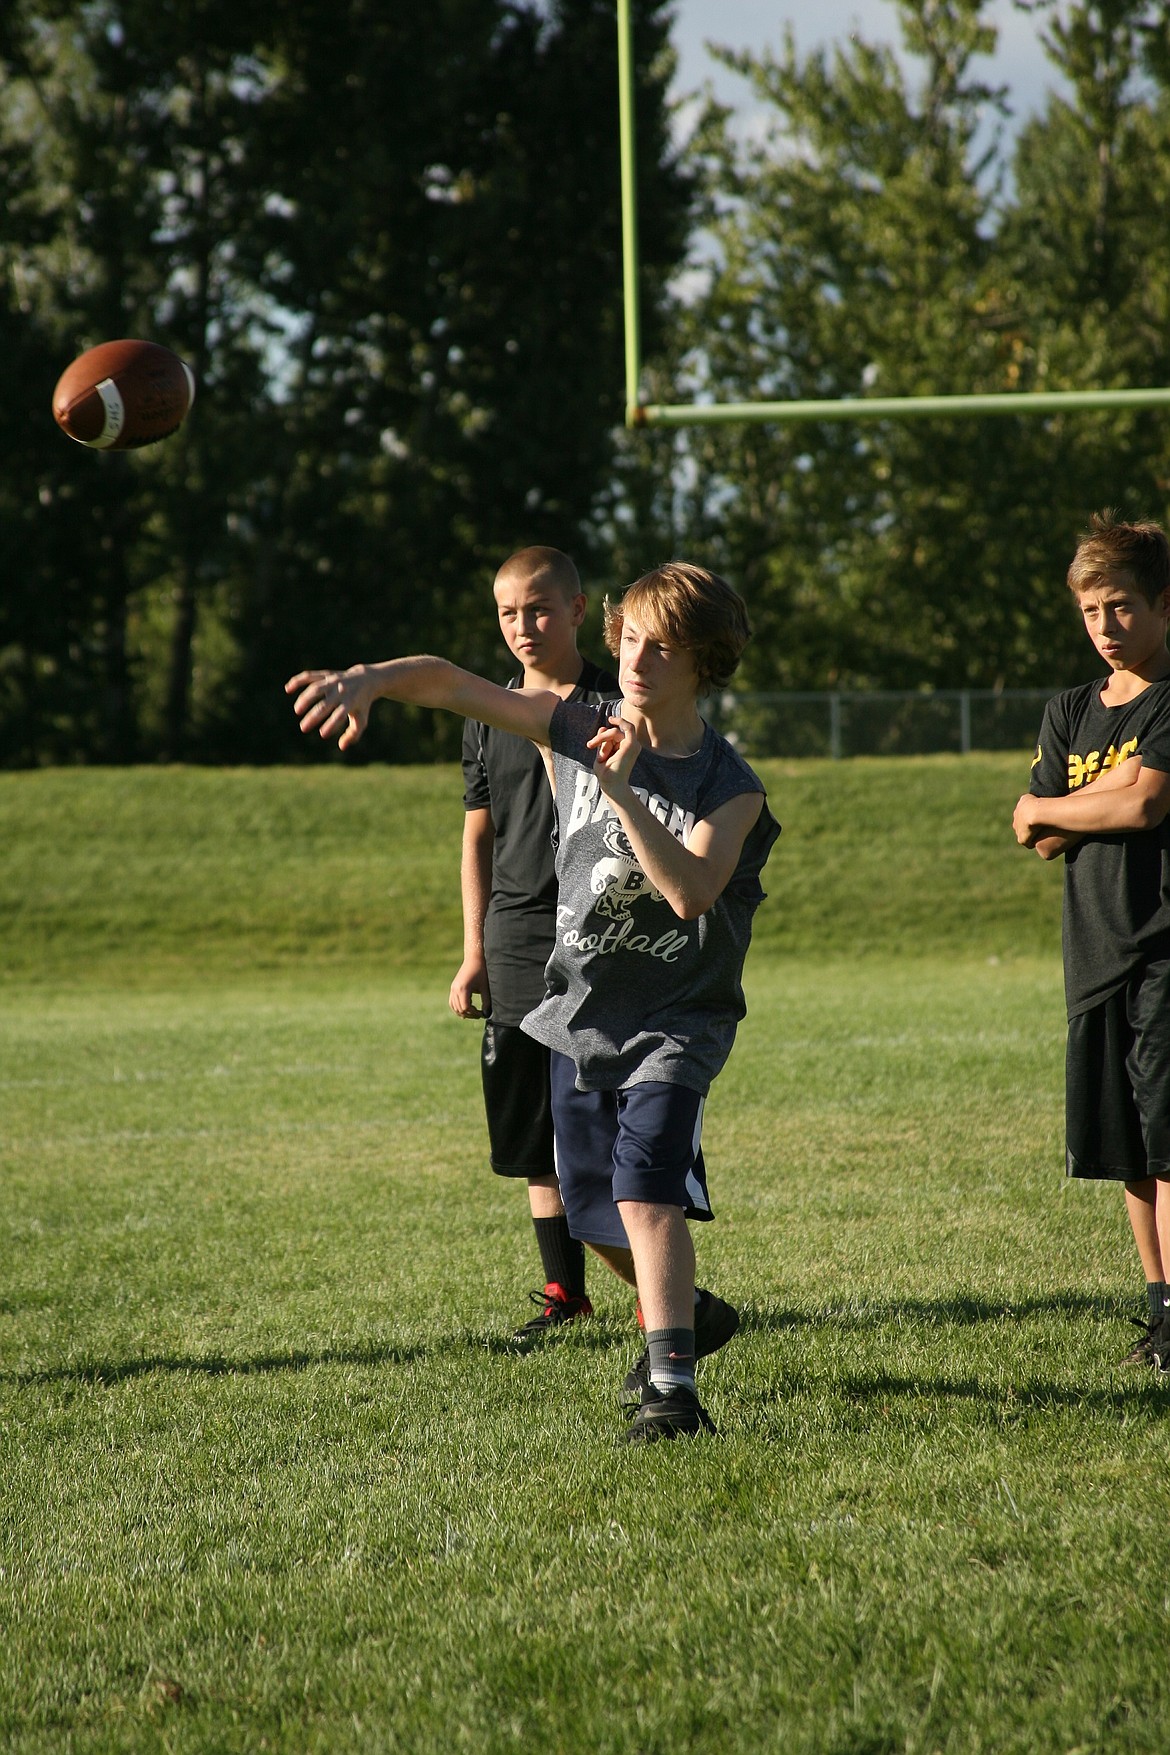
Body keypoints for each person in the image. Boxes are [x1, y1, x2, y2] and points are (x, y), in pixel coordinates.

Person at [288, 561, 780, 1440]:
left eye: (660, 644)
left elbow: (692, 891)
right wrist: (368, 681)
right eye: (628, 636)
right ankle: (690, 1313)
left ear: (703, 661)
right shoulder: (573, 722)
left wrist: (624, 787)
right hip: (578, 1015)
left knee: (646, 1194)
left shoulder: (728, 785)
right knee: (592, 1207)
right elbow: (454, 684)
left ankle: (674, 1390)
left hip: (674, 1023)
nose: (635, 656)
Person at [1013, 512, 1170, 1372]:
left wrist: (1059, 805)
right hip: (1095, 954)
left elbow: (1145, 807)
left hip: (1162, 951)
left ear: (1163, 604)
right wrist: (1089, 796)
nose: (1106, 629)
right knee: (1130, 1154)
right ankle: (1160, 1308)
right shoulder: (1070, 709)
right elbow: (1033, 835)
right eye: (1089, 612)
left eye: (1122, 608)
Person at [450, 545, 617, 1341]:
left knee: (596, 1125)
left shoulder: (616, 702)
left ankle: (660, 1287)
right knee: (533, 1142)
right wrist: (474, 950)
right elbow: (477, 836)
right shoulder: (486, 711)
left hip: (597, 940)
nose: (524, 625)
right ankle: (565, 1291)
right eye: (509, 612)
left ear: (579, 609)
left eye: (540, 608)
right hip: (515, 941)